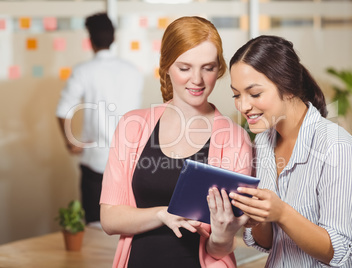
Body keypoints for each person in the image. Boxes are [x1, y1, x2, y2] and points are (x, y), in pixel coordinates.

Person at [99, 16, 253, 268]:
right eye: (185, 68)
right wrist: (164, 214)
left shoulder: (236, 140)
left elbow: (219, 249)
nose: (197, 80)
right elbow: (110, 218)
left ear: (220, 68)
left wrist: (223, 234)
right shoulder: (132, 126)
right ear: (167, 67)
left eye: (208, 67)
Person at [227, 35, 352, 267]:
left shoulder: (336, 147)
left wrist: (282, 213)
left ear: (288, 89)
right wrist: (257, 217)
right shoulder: (263, 143)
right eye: (237, 95)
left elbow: (336, 251)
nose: (243, 106)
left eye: (255, 94)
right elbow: (266, 243)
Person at [56, 12, 144, 224]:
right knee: (127, 225)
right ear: (114, 38)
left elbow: (62, 110)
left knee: (96, 228)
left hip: (96, 164)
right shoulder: (133, 71)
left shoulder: (84, 71)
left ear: (90, 40)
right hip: (130, 164)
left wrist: (70, 142)